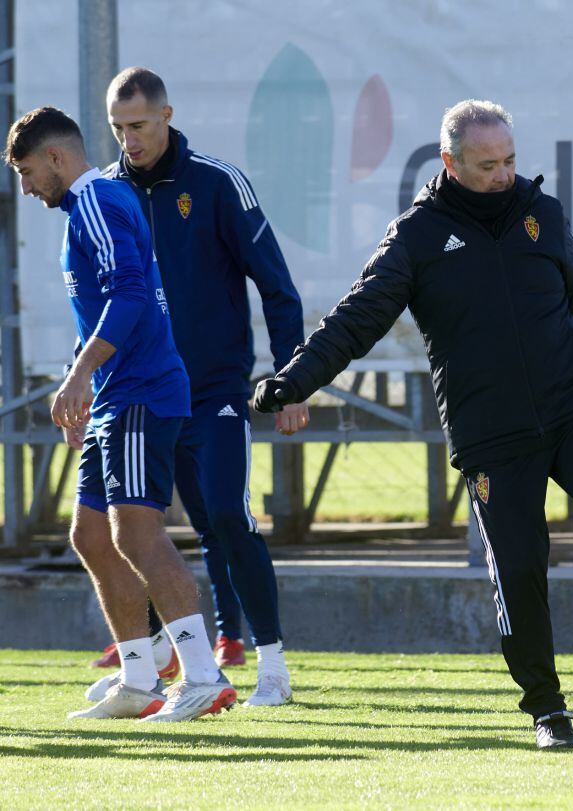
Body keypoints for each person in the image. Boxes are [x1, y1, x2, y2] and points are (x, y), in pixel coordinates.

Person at [252, 99, 573, 749]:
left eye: (511, 161)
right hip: (491, 434)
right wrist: (295, 380)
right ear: (451, 162)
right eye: (488, 165)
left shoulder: (540, 213)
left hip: (572, 410)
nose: (503, 176)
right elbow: (356, 320)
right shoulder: (416, 236)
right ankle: (549, 713)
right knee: (520, 568)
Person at [83, 66, 308, 707]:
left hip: (213, 391)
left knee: (227, 519)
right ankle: (149, 663)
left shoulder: (215, 183)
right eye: (118, 128)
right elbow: (99, 301)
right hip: (142, 395)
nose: (130, 140)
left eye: (140, 126)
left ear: (168, 115)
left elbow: (277, 286)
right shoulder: (104, 195)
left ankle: (273, 669)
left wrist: (291, 380)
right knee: (123, 530)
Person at [5, 106, 235, 720]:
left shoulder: (98, 201)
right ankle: (138, 678)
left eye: (28, 172)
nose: (26, 188)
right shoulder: (91, 205)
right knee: (89, 536)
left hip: (141, 392)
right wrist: (79, 379)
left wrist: (82, 375)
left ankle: (204, 677)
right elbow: (106, 307)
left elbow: (131, 293)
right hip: (113, 396)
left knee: (135, 532)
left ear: (56, 158)